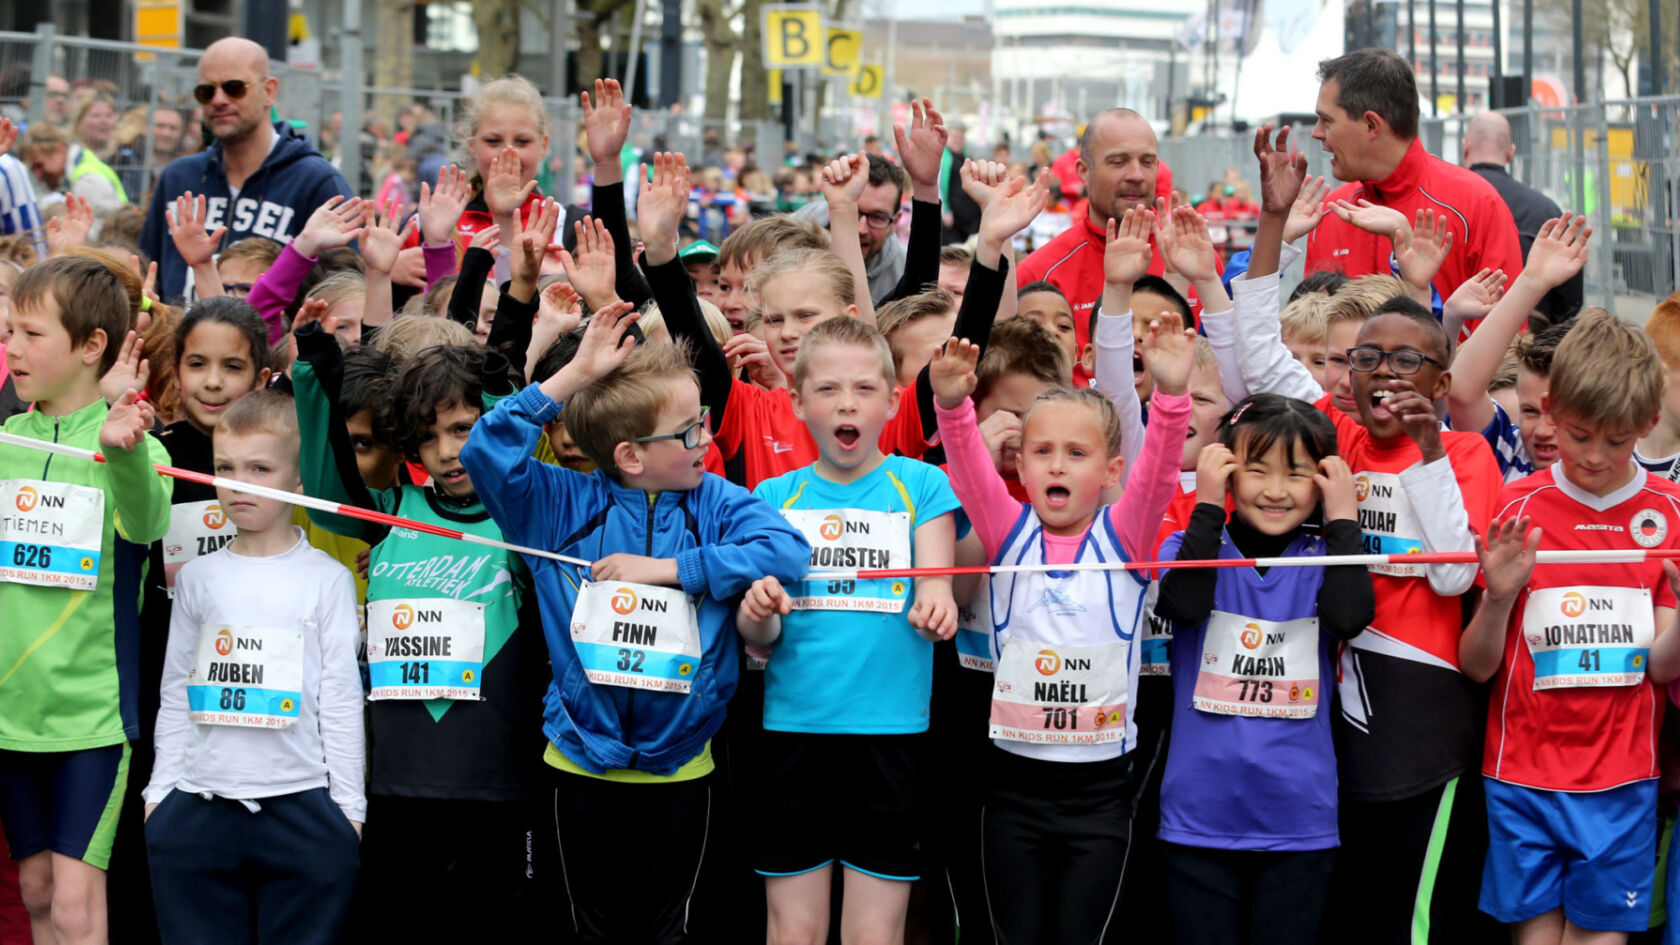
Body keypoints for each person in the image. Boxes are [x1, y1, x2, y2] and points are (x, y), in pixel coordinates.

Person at [1223, 126, 1506, 944]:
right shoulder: (1335, 435)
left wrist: (1423, 452)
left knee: (1414, 922)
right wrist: (1273, 226)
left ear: (1441, 382)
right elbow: (1256, 351)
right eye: (1367, 358)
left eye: (1405, 360)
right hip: (1336, 711)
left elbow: (1456, 580)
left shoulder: (1463, 450)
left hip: (1427, 720)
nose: (1383, 372)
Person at [459, 303, 810, 943]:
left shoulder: (719, 501)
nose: (705, 438)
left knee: (669, 930)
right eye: (686, 431)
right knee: (585, 928)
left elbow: (788, 551)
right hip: (578, 765)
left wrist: (674, 569)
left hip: (683, 766)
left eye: (701, 421)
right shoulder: (557, 502)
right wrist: (574, 375)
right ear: (629, 455)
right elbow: (485, 449)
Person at [929, 297, 1194, 944]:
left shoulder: (1125, 538)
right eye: (1041, 450)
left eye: (1076, 453)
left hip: (1101, 794)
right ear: (1019, 466)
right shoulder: (1005, 527)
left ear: (1108, 473)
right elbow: (965, 466)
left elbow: (1159, 471)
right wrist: (951, 404)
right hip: (1011, 789)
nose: (1055, 463)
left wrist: (1172, 393)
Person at [290, 329, 550, 941]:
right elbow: (328, 493)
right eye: (429, 436)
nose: (447, 451)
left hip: (503, 783)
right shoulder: (390, 510)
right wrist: (313, 368)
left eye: (463, 428)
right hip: (403, 783)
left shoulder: (531, 514)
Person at [737, 316, 962, 945]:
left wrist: (936, 598)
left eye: (865, 389)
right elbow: (757, 633)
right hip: (793, 733)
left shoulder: (921, 484)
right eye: (829, 389)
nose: (847, 403)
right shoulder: (771, 496)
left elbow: (937, 576)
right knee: (793, 931)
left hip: (891, 735)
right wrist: (758, 612)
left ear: (892, 403)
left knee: (875, 932)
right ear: (798, 401)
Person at [1460, 309, 1680, 942]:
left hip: (1622, 780)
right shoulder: (1517, 503)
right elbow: (1477, 665)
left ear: (1650, 422)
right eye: (1581, 435)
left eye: (1617, 441)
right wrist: (1498, 598)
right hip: (1521, 773)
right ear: (1551, 410)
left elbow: (1661, 668)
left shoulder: (1668, 514)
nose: (1595, 457)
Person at [141, 389, 364, 945]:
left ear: (298, 481)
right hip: (196, 807)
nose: (238, 483)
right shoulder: (196, 578)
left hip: (304, 808)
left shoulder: (326, 580)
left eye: (259, 469)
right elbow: (175, 692)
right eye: (226, 468)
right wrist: (159, 794)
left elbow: (340, 697)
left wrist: (348, 811)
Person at [1153, 395, 1375, 945]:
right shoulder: (1188, 545)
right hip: (1198, 818)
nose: (1275, 491)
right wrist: (1207, 505)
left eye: (1297, 474)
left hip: (1298, 821)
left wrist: (1344, 517)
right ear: (1226, 470)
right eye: (1256, 471)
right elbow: (1183, 606)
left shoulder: (1326, 556)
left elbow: (1349, 617)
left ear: (1323, 481)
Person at [0, 254, 171, 945]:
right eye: (9, 330)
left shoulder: (132, 439)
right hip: (12, 712)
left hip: (92, 718)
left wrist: (121, 448)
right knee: (36, 890)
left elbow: (149, 522)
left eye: (31, 334)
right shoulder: (8, 438)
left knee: (75, 906)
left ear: (91, 345)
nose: (11, 346)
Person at [140, 37, 354, 301]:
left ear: (269, 92)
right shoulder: (178, 178)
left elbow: (347, 292)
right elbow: (148, 273)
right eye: (206, 91)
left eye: (234, 88)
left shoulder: (316, 181)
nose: (218, 100)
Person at [1017, 108, 1220, 387]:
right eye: (1119, 162)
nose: (1136, 175)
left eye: (1147, 162)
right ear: (1084, 172)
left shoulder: (1197, 261)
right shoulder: (1039, 271)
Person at [1304, 50, 1525, 303]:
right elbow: (1307, 334)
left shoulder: (1477, 204)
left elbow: (1507, 336)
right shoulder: (1330, 214)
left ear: (1371, 125)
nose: (1316, 133)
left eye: (1326, 121)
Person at [1445, 215, 1593, 481]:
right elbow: (1461, 391)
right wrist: (1531, 282)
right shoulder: (1511, 454)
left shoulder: (1632, 469)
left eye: (1559, 414)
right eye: (1530, 411)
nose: (1543, 431)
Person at [793, 101, 949, 305]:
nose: (861, 228)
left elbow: (920, 294)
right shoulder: (789, 240)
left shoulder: (901, 269)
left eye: (877, 216)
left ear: (896, 222)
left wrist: (925, 186)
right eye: (853, 213)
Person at [1463, 111, 1583, 322]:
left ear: (1465, 148)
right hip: (1530, 339)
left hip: (1459, 339)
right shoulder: (1547, 212)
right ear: (1510, 153)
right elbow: (1570, 300)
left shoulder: (1447, 203)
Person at [17, 124, 128, 220]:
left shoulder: (87, 180)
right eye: (32, 169)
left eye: (39, 165)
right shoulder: (77, 168)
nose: (37, 175)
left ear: (59, 149)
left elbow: (99, 231)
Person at [939, 121, 981, 245]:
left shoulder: (966, 157)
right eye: (955, 137)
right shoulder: (942, 159)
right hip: (952, 218)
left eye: (961, 137)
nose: (958, 141)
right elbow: (937, 185)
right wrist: (944, 211)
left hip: (969, 219)